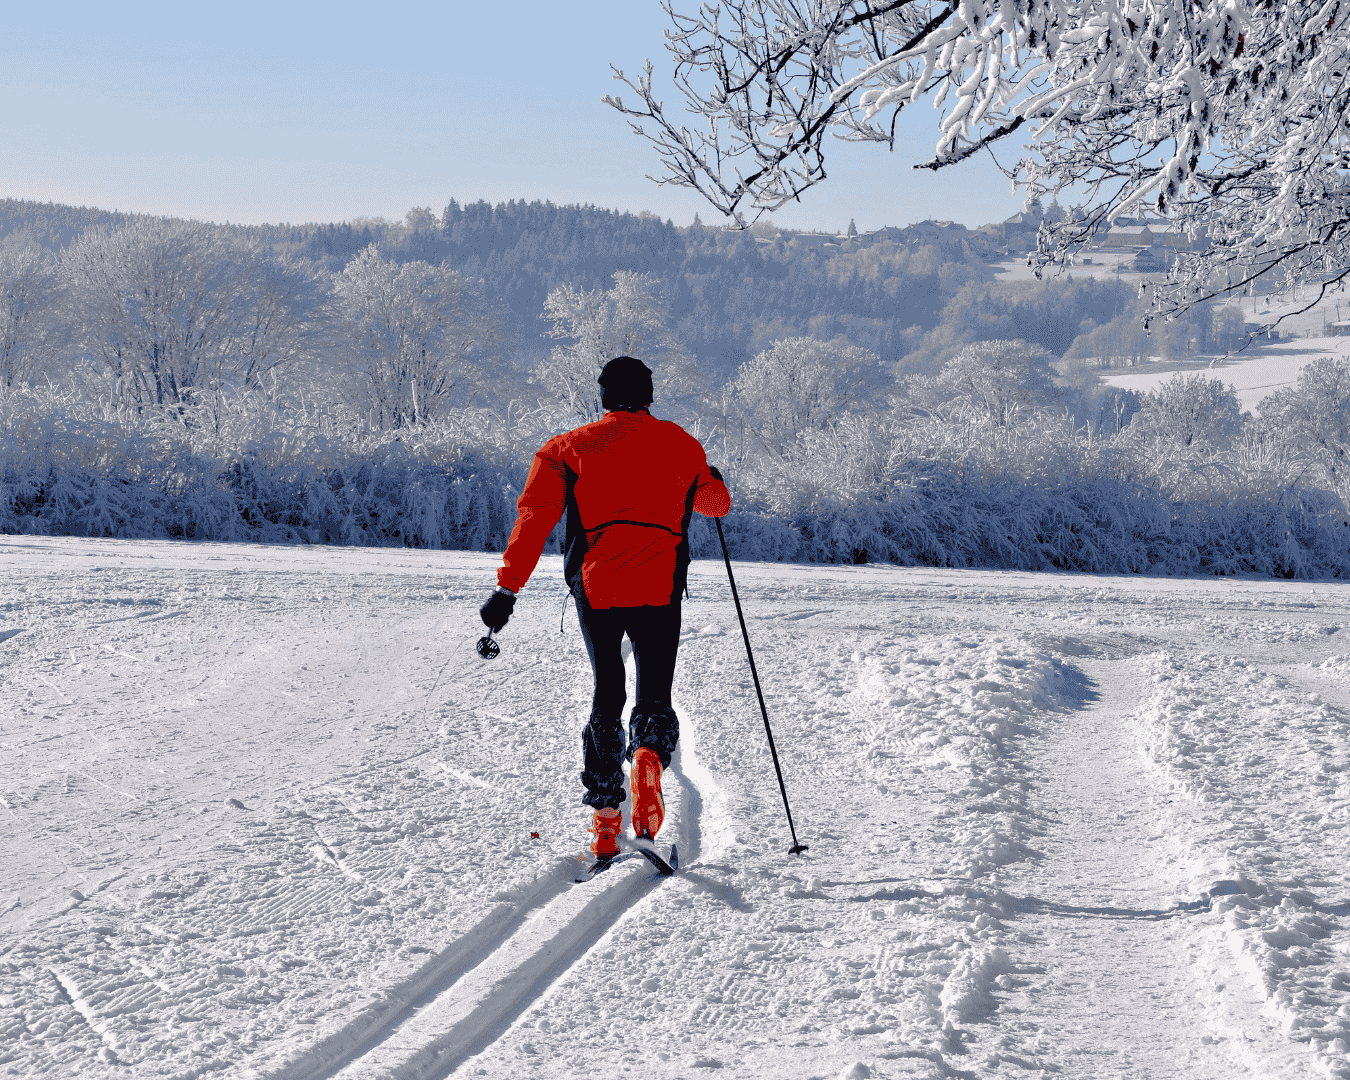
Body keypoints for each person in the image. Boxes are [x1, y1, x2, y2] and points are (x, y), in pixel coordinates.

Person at [480, 356, 730, 865]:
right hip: (660, 585)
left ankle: (605, 823)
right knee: (654, 693)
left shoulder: (566, 448)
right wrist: (714, 480)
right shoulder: (682, 444)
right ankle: (646, 762)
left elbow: (533, 518)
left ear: (603, 395)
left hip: (596, 586)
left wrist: (507, 591)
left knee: (607, 690)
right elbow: (715, 505)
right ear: (650, 395)